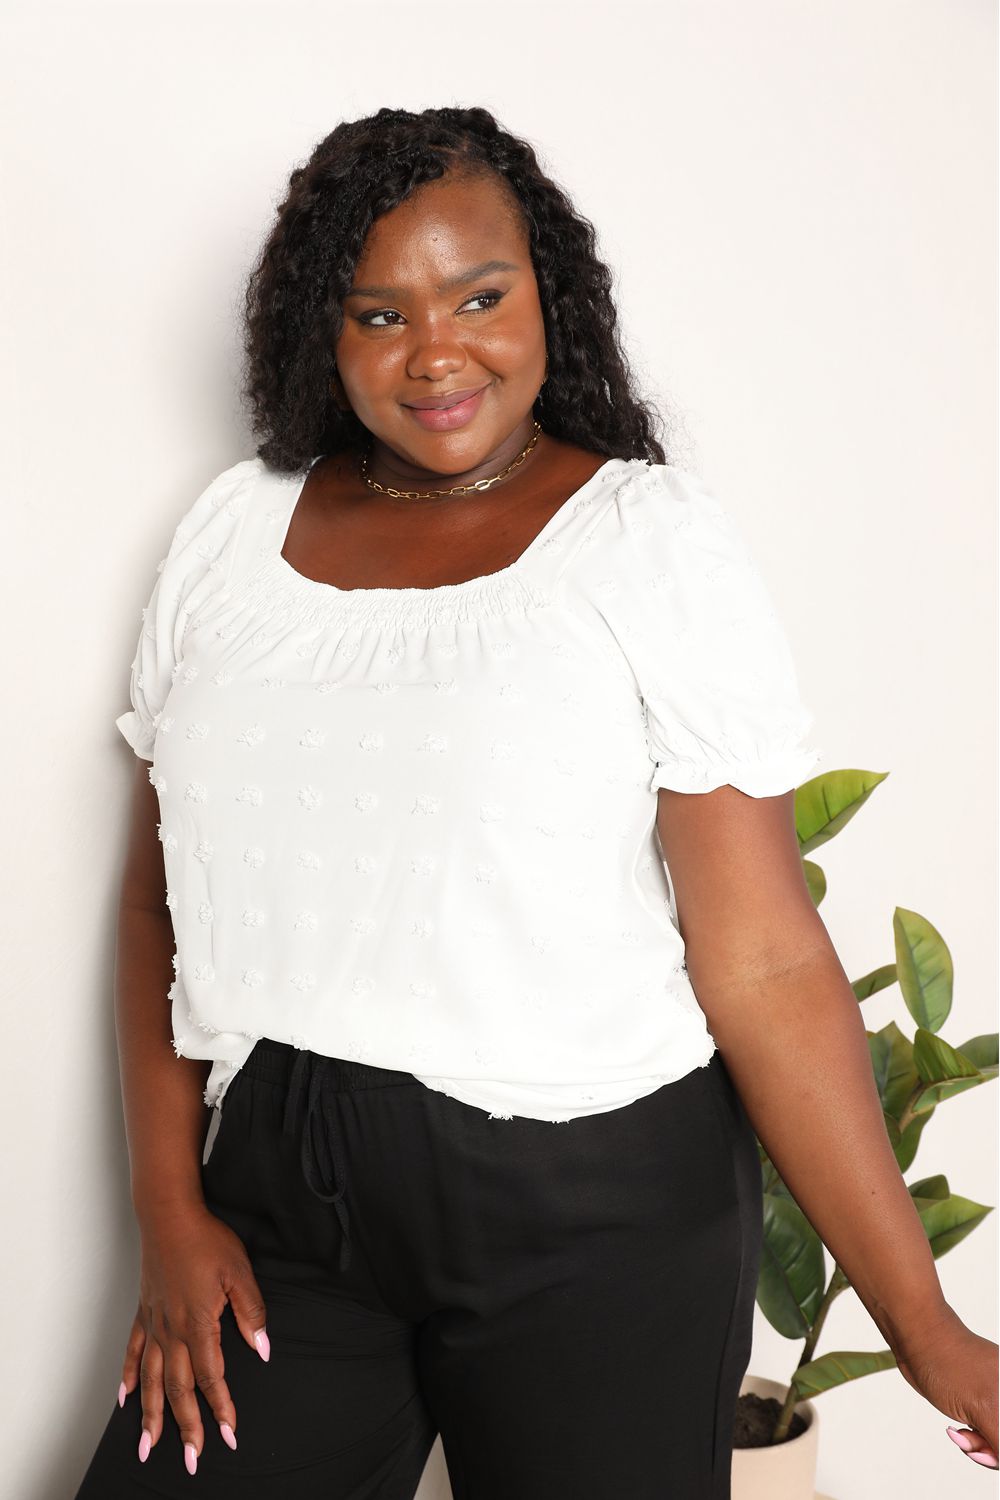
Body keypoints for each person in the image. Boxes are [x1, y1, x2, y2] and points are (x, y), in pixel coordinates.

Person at [74, 105, 997, 1499]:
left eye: (480, 297)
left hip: (598, 1212)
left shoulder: (645, 541)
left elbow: (758, 955)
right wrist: (168, 1204)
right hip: (287, 1197)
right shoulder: (231, 539)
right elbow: (161, 895)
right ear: (321, 332)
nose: (438, 352)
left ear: (548, 299)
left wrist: (924, 1328)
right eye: (380, 313)